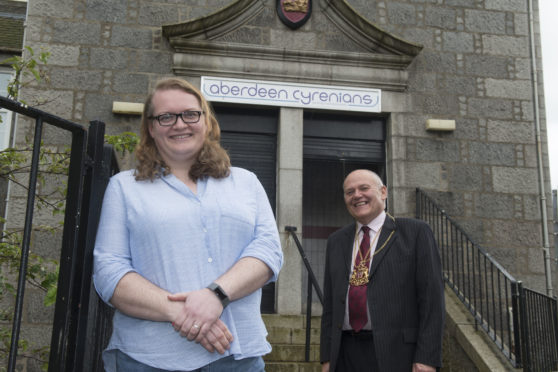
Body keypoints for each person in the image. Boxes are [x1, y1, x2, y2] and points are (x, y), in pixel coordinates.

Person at [93, 77, 283, 372]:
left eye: (190, 114)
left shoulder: (246, 182)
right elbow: (109, 271)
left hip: (238, 357)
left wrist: (216, 295)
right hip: (148, 359)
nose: (180, 124)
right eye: (166, 117)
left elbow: (269, 251)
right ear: (151, 128)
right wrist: (184, 312)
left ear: (206, 122)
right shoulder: (123, 188)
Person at [320, 169, 444, 372]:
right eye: (349, 192)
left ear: (383, 192)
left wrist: (427, 358)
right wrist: (327, 357)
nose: (357, 195)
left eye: (364, 188)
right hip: (344, 354)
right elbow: (331, 307)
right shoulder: (336, 241)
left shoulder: (414, 233)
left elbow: (432, 300)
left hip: (397, 354)